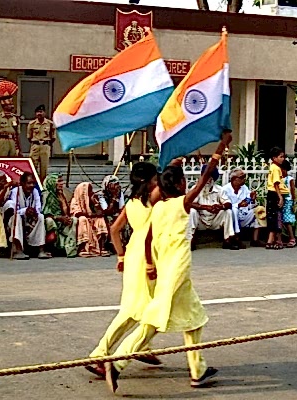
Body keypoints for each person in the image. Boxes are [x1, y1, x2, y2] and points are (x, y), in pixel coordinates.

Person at [104, 133, 232, 393]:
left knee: (194, 318)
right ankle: (118, 362)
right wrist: (221, 146)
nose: (188, 183)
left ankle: (198, 370)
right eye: (185, 179)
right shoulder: (181, 204)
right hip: (177, 269)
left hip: (166, 268)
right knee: (154, 320)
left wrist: (150, 263)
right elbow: (205, 177)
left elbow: (149, 236)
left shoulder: (159, 205)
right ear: (180, 185)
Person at [86, 162, 161, 379]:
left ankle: (141, 347)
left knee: (134, 306)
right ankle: (104, 352)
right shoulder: (153, 199)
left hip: (133, 252)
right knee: (148, 309)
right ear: (148, 182)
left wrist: (121, 255)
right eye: (155, 179)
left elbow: (115, 230)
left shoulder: (131, 202)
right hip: (149, 255)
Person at [189, 164, 237, 250]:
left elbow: (228, 204)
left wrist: (220, 206)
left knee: (228, 211)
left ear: (213, 179)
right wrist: (206, 207)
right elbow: (189, 203)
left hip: (215, 220)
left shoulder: (219, 189)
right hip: (200, 220)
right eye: (206, 177)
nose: (208, 180)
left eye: (210, 178)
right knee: (192, 211)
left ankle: (227, 240)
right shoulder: (195, 188)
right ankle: (191, 240)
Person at [8, 172, 51, 260]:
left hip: (30, 221)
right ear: (22, 183)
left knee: (41, 217)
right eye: (29, 183)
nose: (31, 185)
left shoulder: (35, 192)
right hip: (15, 222)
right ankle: (18, 251)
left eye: (33, 183)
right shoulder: (15, 191)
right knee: (17, 218)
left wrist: (35, 213)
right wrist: (25, 211)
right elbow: (14, 210)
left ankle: (41, 250)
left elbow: (38, 208)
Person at [222, 167, 266, 248]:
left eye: (244, 176)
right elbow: (225, 204)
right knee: (234, 210)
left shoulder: (244, 188)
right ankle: (236, 237)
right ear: (234, 179)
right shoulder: (225, 189)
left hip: (244, 215)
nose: (244, 179)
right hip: (231, 217)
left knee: (259, 210)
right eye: (242, 177)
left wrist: (252, 199)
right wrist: (238, 205)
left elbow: (249, 203)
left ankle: (255, 240)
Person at [43, 173, 78, 257]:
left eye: (62, 181)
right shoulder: (46, 195)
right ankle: (49, 249)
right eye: (59, 181)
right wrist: (60, 218)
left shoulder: (61, 194)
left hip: (62, 221)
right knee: (49, 221)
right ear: (52, 182)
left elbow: (66, 211)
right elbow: (45, 214)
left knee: (74, 220)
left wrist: (66, 218)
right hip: (52, 221)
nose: (62, 183)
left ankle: (69, 249)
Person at [70, 182, 109, 258]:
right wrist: (91, 215)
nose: (92, 192)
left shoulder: (92, 200)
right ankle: (83, 248)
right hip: (82, 219)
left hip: (91, 219)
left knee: (100, 219)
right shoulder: (75, 200)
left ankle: (102, 247)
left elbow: (101, 213)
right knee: (82, 219)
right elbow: (77, 213)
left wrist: (96, 203)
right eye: (89, 190)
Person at [0, 80, 22, 157]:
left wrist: (20, 149)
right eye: (10, 104)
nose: (12, 106)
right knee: (2, 161)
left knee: (12, 162)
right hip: (2, 141)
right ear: (4, 106)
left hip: (12, 141)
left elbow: (17, 134)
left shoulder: (15, 117)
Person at [265, 147, 288, 250]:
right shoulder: (275, 168)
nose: (283, 159)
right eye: (281, 157)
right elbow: (276, 184)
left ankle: (271, 240)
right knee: (277, 216)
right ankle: (278, 240)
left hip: (272, 194)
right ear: (274, 158)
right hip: (275, 194)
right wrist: (280, 197)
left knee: (272, 216)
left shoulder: (274, 167)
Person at [27, 104, 56, 183]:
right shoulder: (32, 124)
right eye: (37, 112)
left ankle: (42, 184)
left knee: (44, 167)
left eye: (41, 112)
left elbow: (53, 137)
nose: (39, 114)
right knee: (33, 166)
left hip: (45, 146)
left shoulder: (50, 123)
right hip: (35, 146)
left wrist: (46, 143)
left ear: (44, 113)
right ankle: (33, 183)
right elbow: (29, 137)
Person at [281, 160, 296, 248]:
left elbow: (293, 190)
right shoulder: (279, 178)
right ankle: (284, 237)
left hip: (288, 201)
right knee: (282, 219)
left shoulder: (289, 179)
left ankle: (292, 238)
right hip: (281, 200)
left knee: (287, 220)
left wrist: (293, 202)